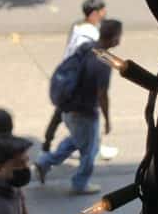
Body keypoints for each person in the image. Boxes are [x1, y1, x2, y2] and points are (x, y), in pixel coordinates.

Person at [35, 20, 122, 195]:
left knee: (77, 140)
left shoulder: (87, 47)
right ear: (114, 39)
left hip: (68, 108)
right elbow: (102, 95)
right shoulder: (104, 63)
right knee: (91, 150)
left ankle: (44, 162)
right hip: (84, 112)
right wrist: (107, 120)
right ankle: (80, 183)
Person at [45, 0, 117, 159]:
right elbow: (91, 58)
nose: (105, 13)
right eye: (102, 11)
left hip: (68, 77)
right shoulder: (91, 34)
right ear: (94, 14)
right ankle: (90, 147)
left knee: (61, 114)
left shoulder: (77, 26)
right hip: (78, 82)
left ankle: (47, 145)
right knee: (87, 117)